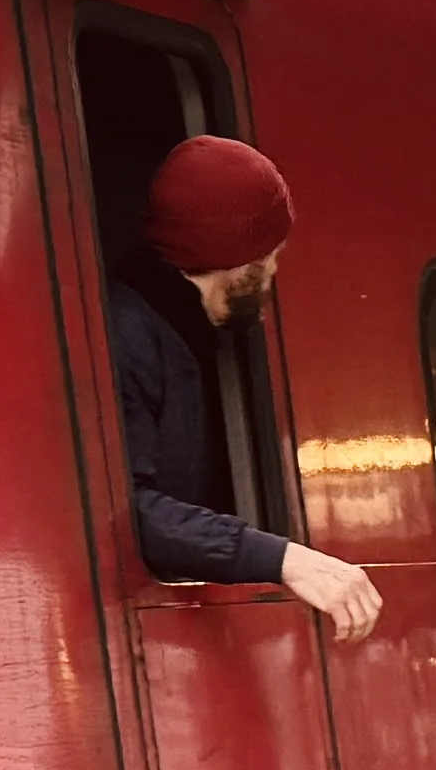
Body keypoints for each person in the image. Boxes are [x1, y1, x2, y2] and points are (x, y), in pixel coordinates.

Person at [112, 137, 382, 645]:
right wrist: (284, 558)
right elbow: (124, 511)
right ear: (236, 259)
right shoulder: (126, 336)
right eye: (270, 255)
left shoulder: (179, 332)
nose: (276, 271)